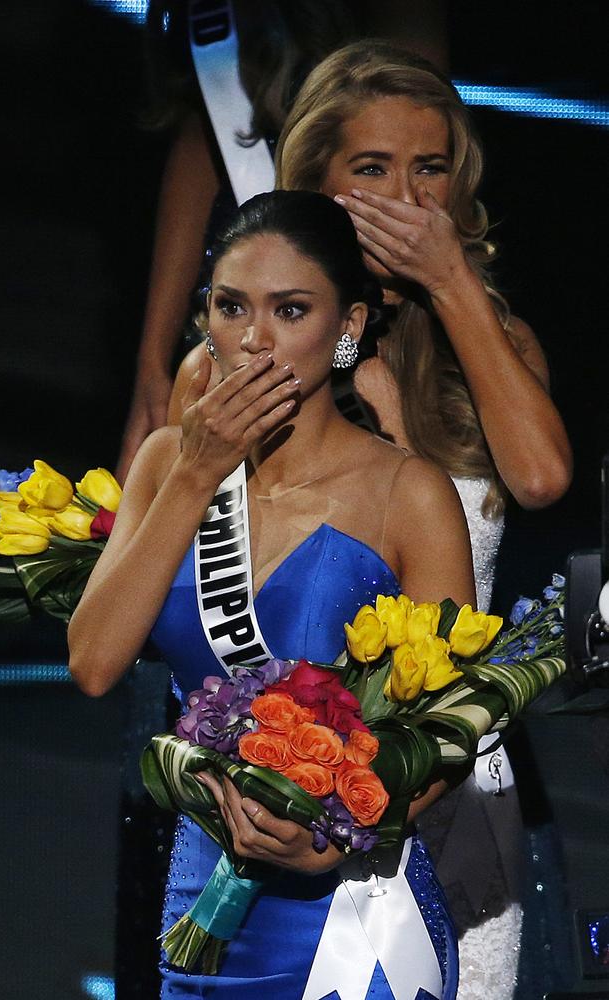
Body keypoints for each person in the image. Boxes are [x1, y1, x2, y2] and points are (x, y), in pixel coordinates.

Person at [167, 42, 573, 998]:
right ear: (315, 183)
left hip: (450, 781)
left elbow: (545, 478)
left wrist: (450, 281)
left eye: (428, 169)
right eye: (372, 169)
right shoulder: (229, 367)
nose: (406, 196)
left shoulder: (496, 344)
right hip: (279, 796)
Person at [70, 190, 475, 998]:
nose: (254, 340)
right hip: (206, 906)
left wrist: (344, 827)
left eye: (290, 310)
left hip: (356, 915)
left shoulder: (408, 492)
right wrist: (194, 470)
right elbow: (93, 663)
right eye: (230, 308)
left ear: (349, 327)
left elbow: (454, 724)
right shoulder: (166, 465)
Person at [116, 1, 450, 482]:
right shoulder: (209, 360)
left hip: (390, 327)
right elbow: (199, 129)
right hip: (249, 295)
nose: (403, 187)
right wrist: (152, 366)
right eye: (374, 168)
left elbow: (418, 112)